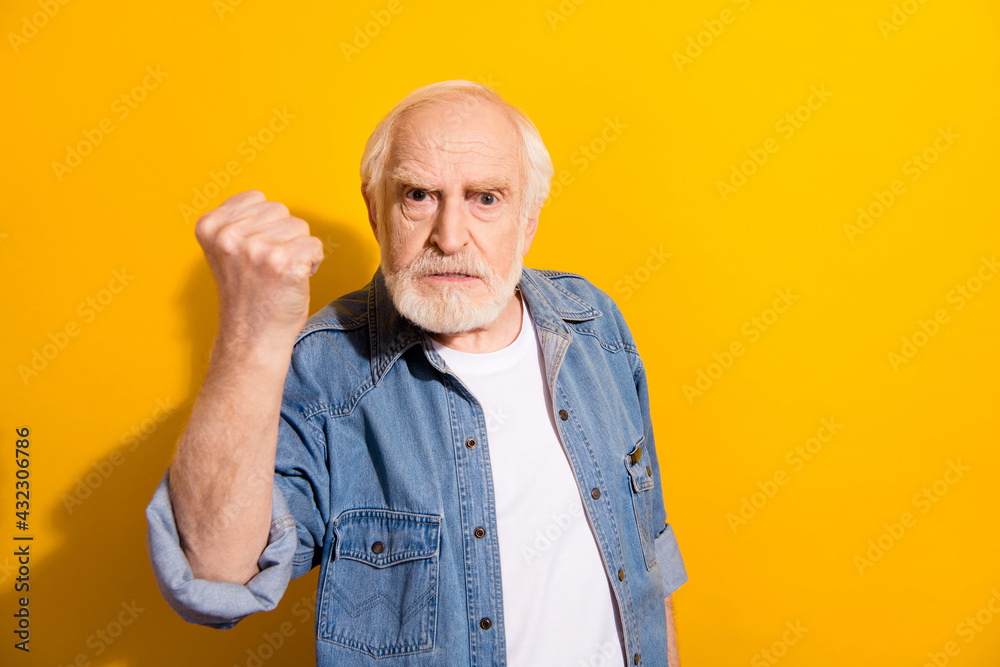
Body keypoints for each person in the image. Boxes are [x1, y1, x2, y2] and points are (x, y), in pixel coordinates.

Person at [145, 79, 687, 666]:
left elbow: (649, 559)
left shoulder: (594, 325)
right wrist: (251, 338)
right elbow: (215, 578)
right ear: (377, 212)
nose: (449, 238)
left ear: (528, 221)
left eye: (486, 198)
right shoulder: (321, 367)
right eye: (419, 195)